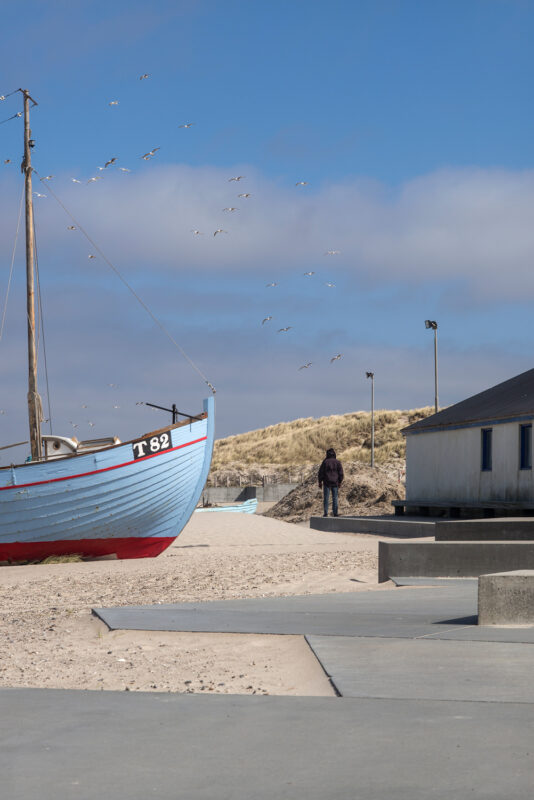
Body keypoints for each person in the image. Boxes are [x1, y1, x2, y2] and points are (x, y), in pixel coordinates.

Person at [318, 448, 344, 517]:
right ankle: (335, 513)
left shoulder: (325, 462)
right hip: (335, 482)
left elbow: (321, 472)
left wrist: (320, 482)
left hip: (326, 482)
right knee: (335, 498)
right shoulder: (337, 462)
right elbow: (341, 473)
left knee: (326, 498)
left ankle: (325, 513)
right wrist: (340, 481)